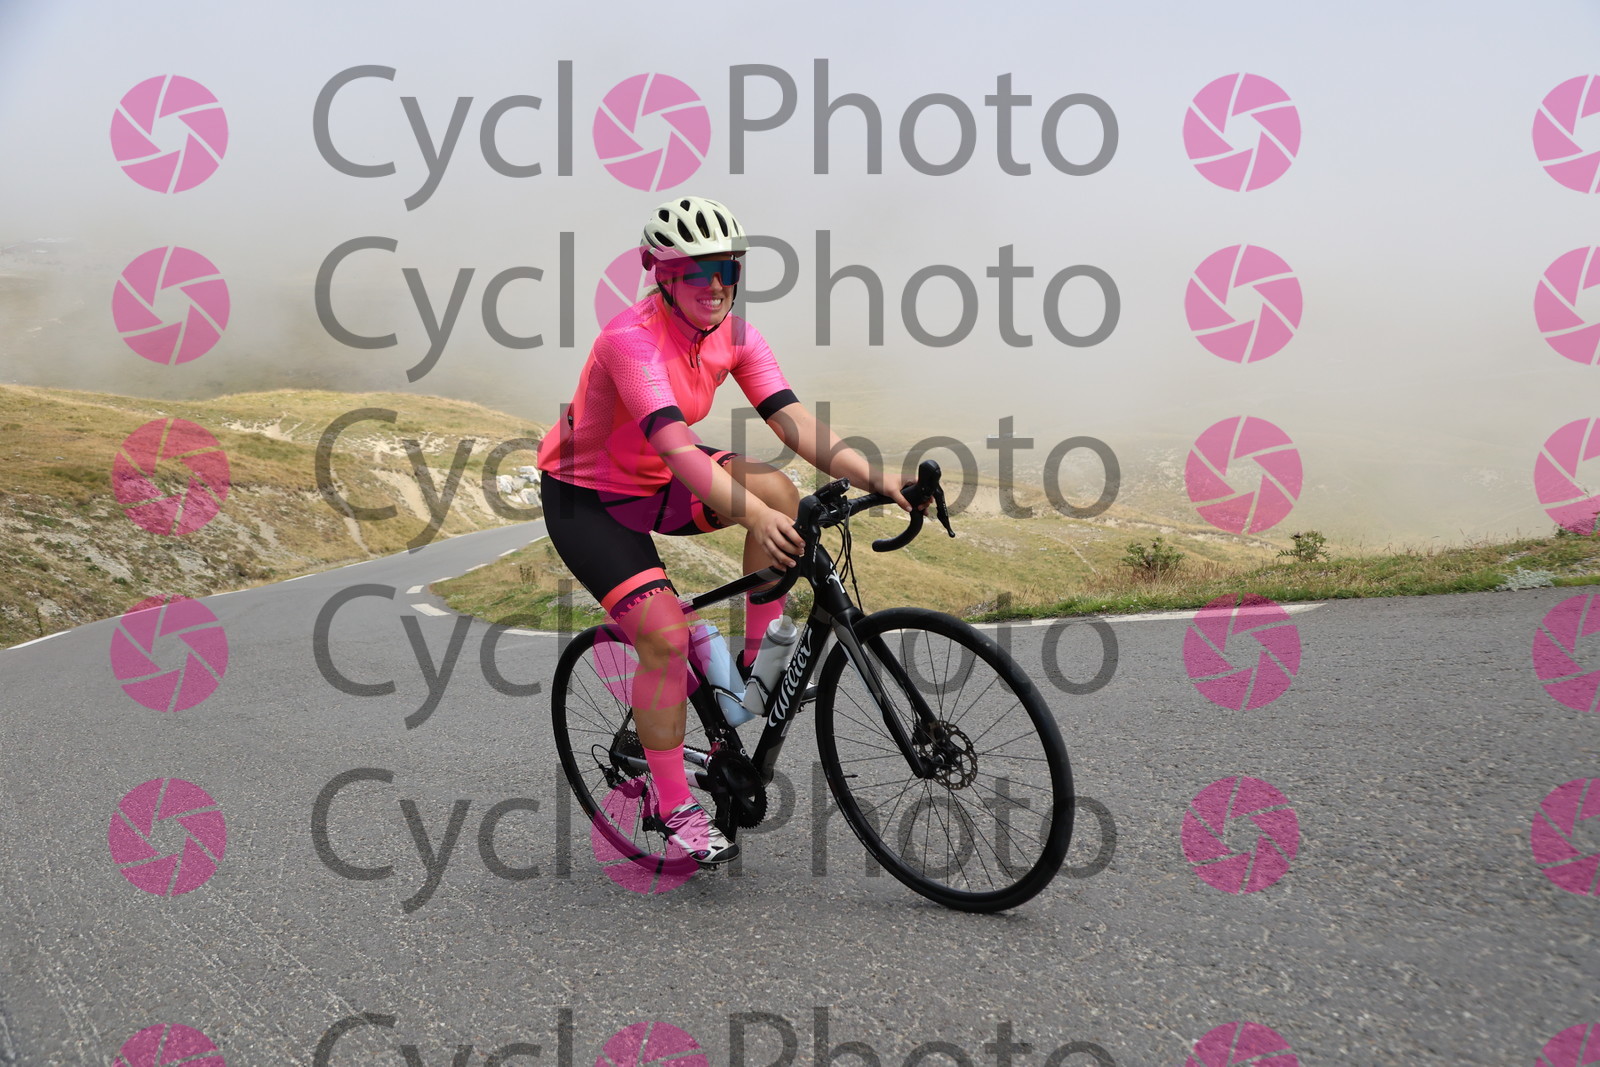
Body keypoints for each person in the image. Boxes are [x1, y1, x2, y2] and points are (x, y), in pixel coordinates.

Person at [536, 196, 914, 866]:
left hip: (656, 480)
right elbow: (679, 450)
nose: (715, 284)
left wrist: (876, 476)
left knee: (782, 492)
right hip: (589, 499)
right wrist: (753, 516)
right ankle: (674, 804)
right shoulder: (629, 341)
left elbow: (793, 422)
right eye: (697, 270)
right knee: (663, 636)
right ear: (662, 274)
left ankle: (749, 668)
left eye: (728, 269)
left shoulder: (735, 335)